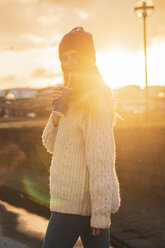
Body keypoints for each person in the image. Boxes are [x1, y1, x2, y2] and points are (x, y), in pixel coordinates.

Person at [41, 27, 121, 248]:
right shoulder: (69, 95)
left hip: (74, 205)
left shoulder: (95, 98)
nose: (69, 63)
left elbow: (101, 157)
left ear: (89, 59)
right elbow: (50, 144)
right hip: (71, 203)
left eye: (74, 56)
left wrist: (101, 214)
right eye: (64, 58)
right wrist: (56, 113)